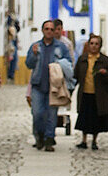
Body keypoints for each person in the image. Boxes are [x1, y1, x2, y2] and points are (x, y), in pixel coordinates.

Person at [25, 20, 73, 151]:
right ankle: (39, 135)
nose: (49, 31)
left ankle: (49, 140)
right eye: (47, 29)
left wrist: (60, 64)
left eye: (52, 29)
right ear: (42, 30)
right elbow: (28, 64)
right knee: (37, 113)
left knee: (52, 115)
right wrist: (34, 55)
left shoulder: (61, 47)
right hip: (37, 85)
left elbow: (68, 62)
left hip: (54, 85)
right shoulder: (35, 46)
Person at [74, 33, 108, 150]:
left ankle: (94, 140)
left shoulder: (106, 61)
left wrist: (105, 73)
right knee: (84, 117)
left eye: (96, 44)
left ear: (100, 46)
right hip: (85, 93)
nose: (93, 46)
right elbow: (76, 76)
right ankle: (83, 140)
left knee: (96, 118)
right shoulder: (82, 59)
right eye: (91, 43)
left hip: (99, 95)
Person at [4, 15, 19, 84]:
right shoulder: (11, 28)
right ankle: (10, 75)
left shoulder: (13, 28)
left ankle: (11, 74)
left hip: (13, 45)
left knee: (14, 60)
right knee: (13, 59)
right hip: (11, 45)